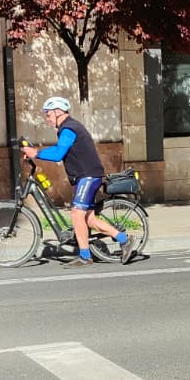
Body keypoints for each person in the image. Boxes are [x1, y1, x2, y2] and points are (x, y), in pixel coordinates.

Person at [24, 96, 138, 267]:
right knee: (89, 219)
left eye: (48, 114)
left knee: (77, 213)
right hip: (86, 176)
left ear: (57, 112)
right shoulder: (68, 128)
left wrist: (36, 153)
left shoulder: (69, 128)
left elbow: (58, 153)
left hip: (88, 176)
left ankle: (85, 257)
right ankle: (124, 239)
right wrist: (36, 152)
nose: (47, 118)